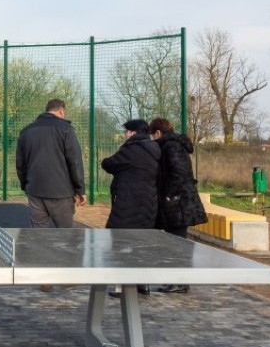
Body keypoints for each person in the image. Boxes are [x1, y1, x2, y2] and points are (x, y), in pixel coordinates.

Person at [16, 98, 86, 292]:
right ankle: (66, 277)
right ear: (61, 111)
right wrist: (80, 189)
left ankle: (44, 279)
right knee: (65, 235)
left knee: (39, 235)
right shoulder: (65, 130)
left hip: (35, 190)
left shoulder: (27, 131)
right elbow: (75, 162)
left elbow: (20, 163)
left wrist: (26, 185)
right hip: (61, 192)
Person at [100, 118, 161, 296]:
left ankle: (122, 286)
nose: (125, 135)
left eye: (126, 131)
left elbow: (109, 163)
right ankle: (143, 284)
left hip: (128, 202)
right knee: (142, 243)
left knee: (121, 241)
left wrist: (105, 160)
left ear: (133, 133)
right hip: (149, 202)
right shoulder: (155, 148)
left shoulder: (131, 149)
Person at [149, 117, 208, 294]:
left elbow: (177, 171)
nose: (153, 139)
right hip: (180, 200)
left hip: (178, 203)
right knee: (176, 241)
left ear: (158, 133)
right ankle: (178, 281)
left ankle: (180, 282)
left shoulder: (170, 147)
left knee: (177, 242)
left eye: (153, 135)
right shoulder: (174, 145)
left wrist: (169, 195)